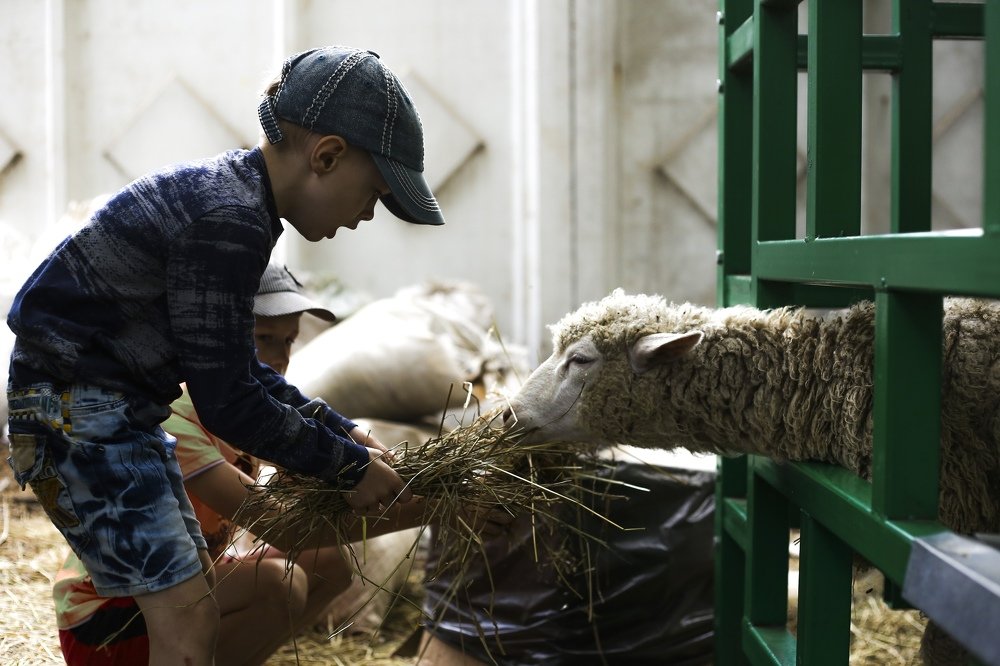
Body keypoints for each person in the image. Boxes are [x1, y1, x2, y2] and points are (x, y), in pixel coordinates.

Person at [6, 45, 444, 666]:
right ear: (327, 156)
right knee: (185, 627)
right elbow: (229, 401)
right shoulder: (230, 218)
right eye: (373, 193)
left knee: (193, 613)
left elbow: (241, 371)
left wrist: (340, 430)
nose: (367, 214)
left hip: (110, 410)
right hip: (81, 413)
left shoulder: (236, 202)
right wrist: (347, 467)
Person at [53, 262, 428, 665]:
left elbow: (310, 427)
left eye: (289, 342)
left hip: (189, 585)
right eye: (264, 339)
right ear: (222, 338)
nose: (281, 358)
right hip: (110, 618)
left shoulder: (250, 412)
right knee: (276, 586)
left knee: (331, 564)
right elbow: (283, 528)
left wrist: (367, 456)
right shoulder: (171, 414)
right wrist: (430, 507)